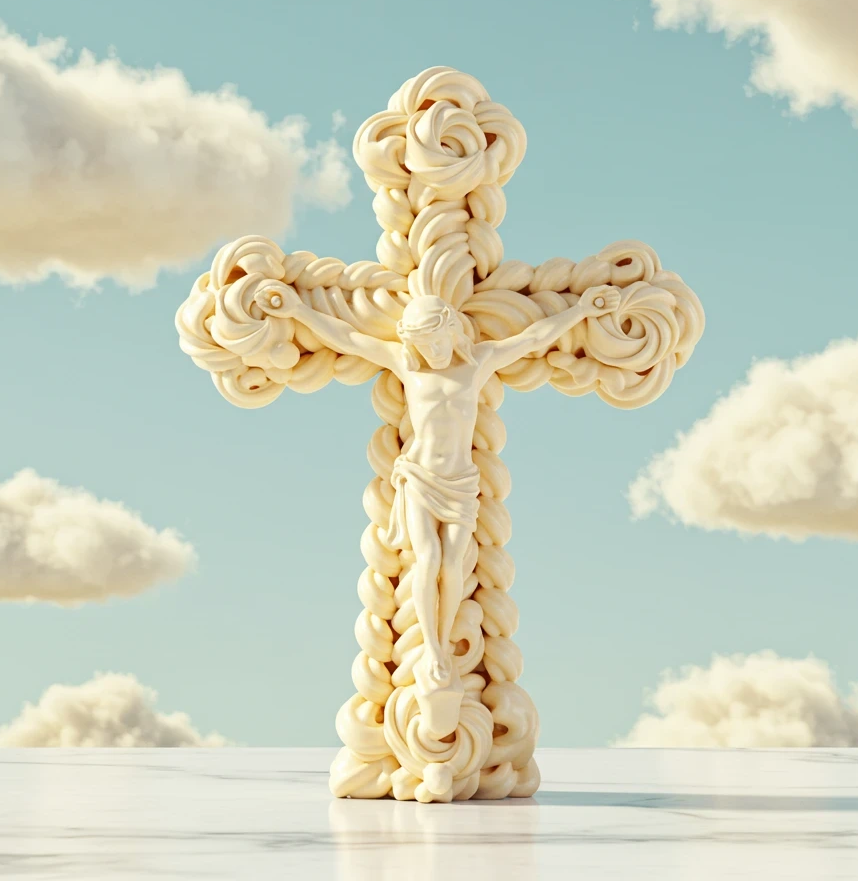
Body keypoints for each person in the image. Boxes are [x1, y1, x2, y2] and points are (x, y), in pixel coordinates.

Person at [257, 281, 620, 735]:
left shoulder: (477, 365)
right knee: (426, 560)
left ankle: (441, 645)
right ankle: (432, 649)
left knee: (453, 564)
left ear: (450, 331)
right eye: (419, 344)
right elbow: (348, 338)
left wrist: (581, 310)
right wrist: (297, 310)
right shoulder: (409, 367)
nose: (427, 351)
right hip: (420, 478)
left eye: (432, 341)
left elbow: (531, 338)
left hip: (461, 482)